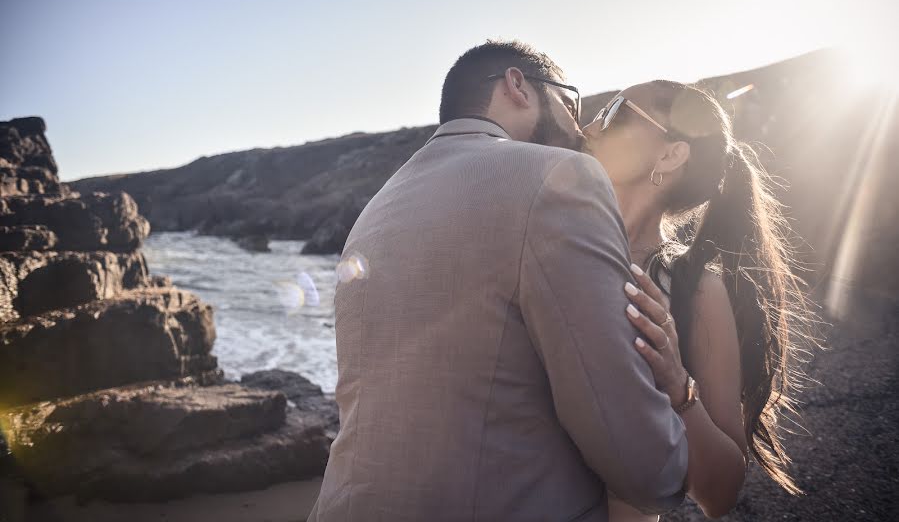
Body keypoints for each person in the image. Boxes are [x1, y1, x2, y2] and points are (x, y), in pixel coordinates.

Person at [308, 41, 689, 521]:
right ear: (517, 86)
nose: (579, 127)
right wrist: (676, 434)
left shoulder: (378, 207)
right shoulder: (561, 175)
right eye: (571, 103)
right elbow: (633, 450)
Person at [582, 81, 812, 520]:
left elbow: (721, 493)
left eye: (614, 113)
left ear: (670, 155)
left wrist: (677, 385)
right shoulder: (548, 245)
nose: (589, 126)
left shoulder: (694, 290)